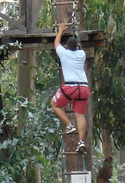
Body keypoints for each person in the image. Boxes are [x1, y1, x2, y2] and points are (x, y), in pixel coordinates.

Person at [51, 23, 90, 154]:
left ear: (66, 47)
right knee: (80, 115)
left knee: (55, 105)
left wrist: (61, 30)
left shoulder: (64, 53)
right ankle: (81, 142)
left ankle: (69, 125)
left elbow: (56, 43)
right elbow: (74, 47)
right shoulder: (82, 54)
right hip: (83, 88)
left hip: (71, 87)